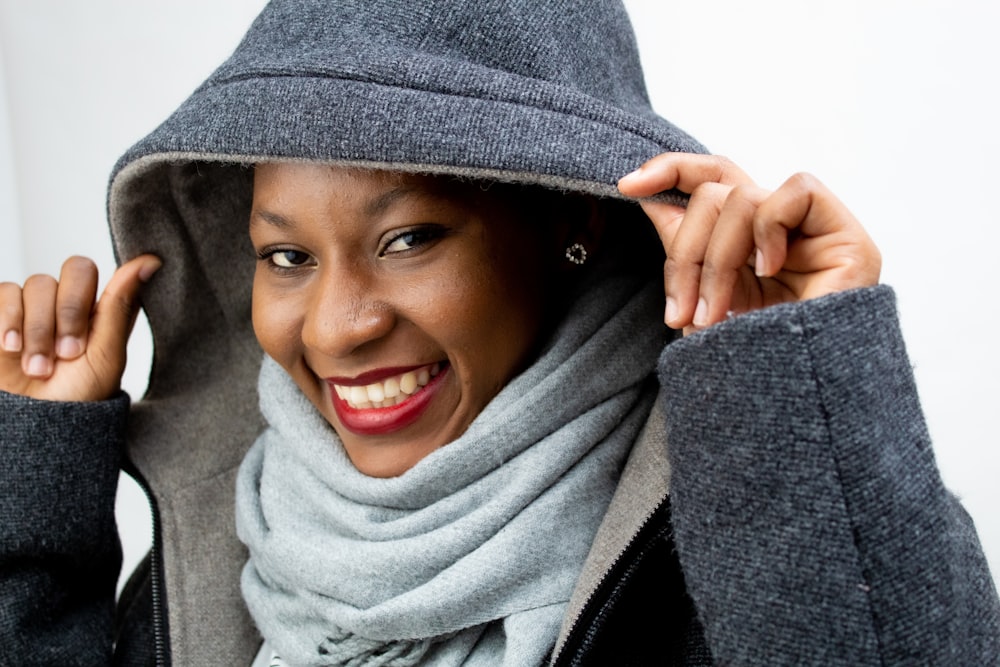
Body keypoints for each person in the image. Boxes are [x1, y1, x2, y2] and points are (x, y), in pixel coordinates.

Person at [1, 0, 997, 665]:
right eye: (286, 256)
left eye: (409, 238)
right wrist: (37, 506)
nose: (341, 327)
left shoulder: (726, 523)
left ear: (569, 218)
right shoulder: (254, 522)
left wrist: (793, 390)